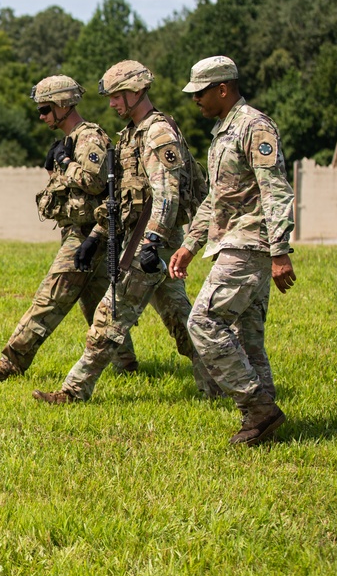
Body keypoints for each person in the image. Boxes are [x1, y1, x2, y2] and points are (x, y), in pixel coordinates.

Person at [32, 61, 220, 404]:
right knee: (181, 320)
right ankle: (219, 386)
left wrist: (151, 243)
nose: (112, 104)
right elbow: (126, 199)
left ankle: (74, 391)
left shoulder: (157, 133)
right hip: (149, 239)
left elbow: (166, 195)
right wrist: (96, 237)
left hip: (151, 242)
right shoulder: (133, 135)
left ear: (136, 92)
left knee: (109, 316)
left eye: (117, 96)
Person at [0, 75, 137, 382]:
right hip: (83, 231)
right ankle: (126, 363)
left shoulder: (89, 140)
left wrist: (65, 161)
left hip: (89, 233)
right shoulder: (71, 140)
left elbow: (95, 182)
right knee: (98, 302)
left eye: (46, 109)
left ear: (63, 105)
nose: (41, 116)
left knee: (50, 296)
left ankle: (12, 362)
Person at [169, 56, 296, 446]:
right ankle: (265, 424)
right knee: (248, 337)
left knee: (203, 322)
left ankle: (257, 407)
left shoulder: (255, 127)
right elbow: (216, 198)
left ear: (223, 88)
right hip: (231, 241)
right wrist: (191, 243)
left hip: (249, 245)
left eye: (201, 92)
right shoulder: (223, 132)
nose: (195, 101)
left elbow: (276, 190)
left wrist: (280, 251)